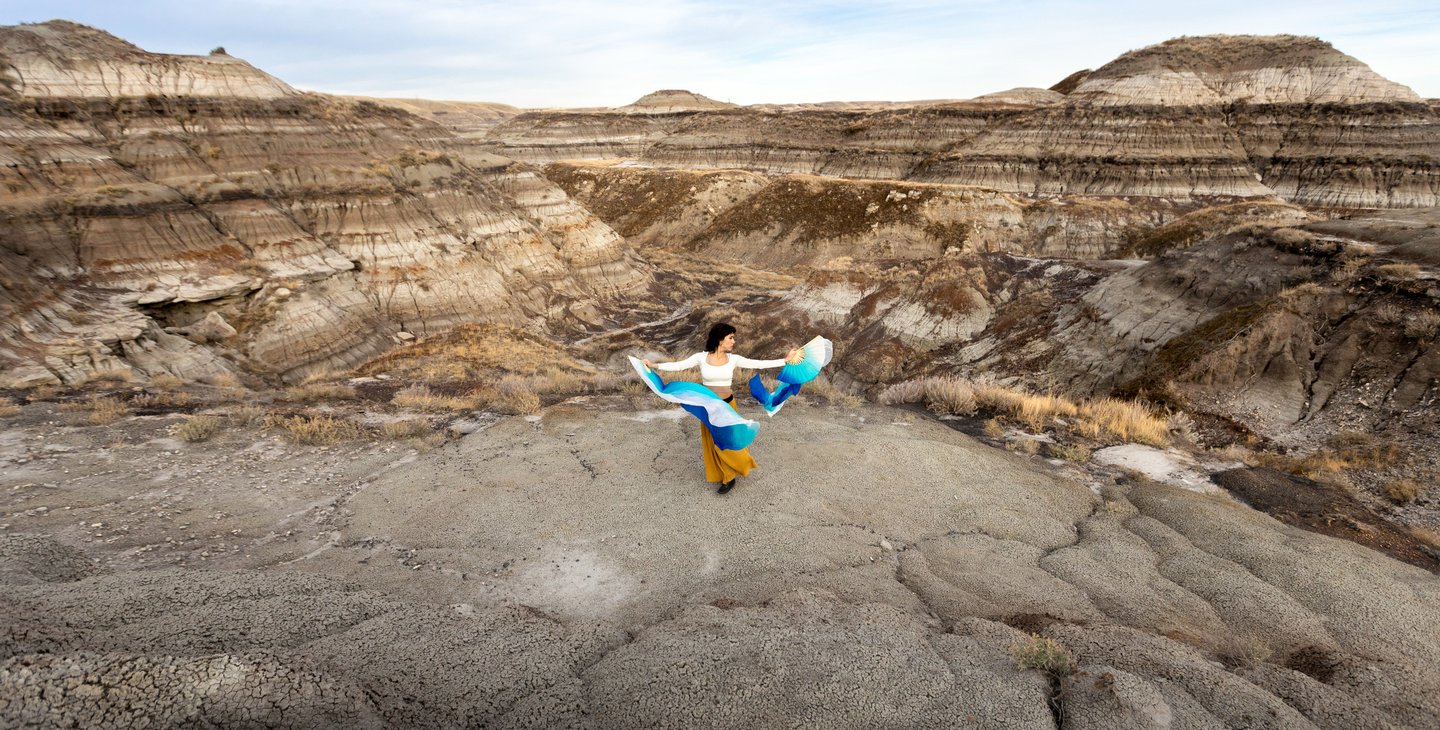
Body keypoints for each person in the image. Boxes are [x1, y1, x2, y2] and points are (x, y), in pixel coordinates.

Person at [644, 323, 801, 494]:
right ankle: (726, 476)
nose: (734, 341)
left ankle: (735, 471)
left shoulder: (733, 359)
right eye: (730, 338)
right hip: (708, 408)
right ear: (720, 339)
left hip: (727, 405)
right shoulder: (701, 357)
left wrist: (784, 360)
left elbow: (758, 363)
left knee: (728, 442)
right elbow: (679, 365)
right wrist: (654, 366)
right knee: (713, 443)